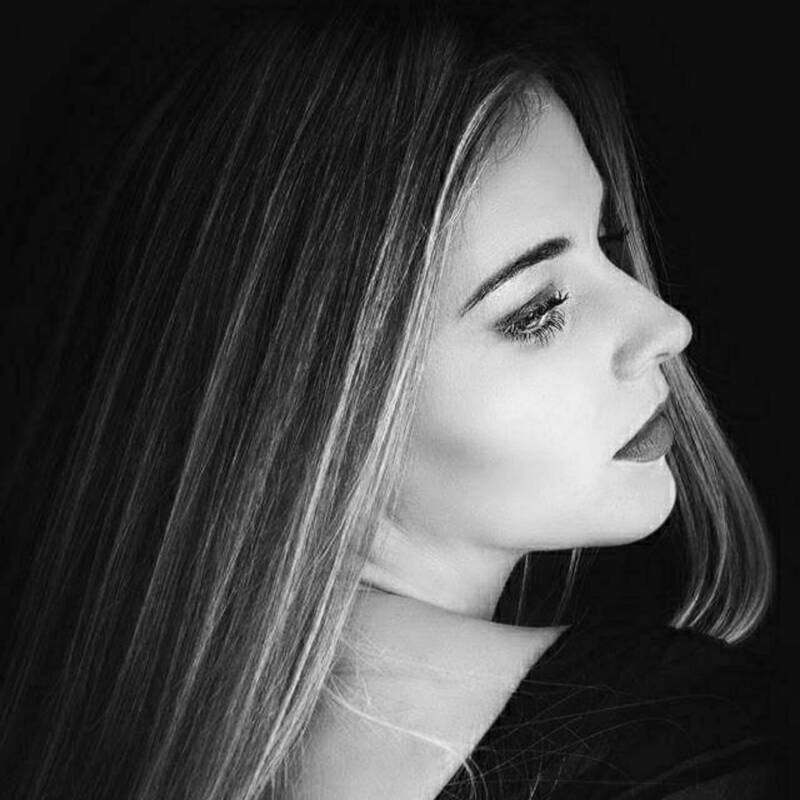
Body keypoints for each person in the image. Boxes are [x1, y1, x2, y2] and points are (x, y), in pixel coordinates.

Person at [0, 0, 777, 798]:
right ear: (308, 403)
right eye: (537, 310)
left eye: (608, 242)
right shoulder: (687, 745)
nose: (665, 326)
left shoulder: (76, 735)